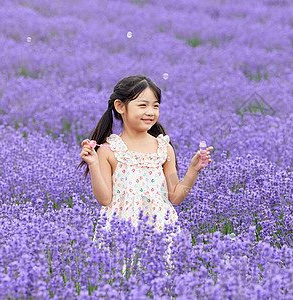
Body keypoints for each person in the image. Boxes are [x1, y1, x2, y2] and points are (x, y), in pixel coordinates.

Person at [77, 75, 213, 276]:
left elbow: (175, 196)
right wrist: (94, 164)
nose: (150, 112)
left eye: (155, 106)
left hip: (159, 229)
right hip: (121, 230)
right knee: (121, 280)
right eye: (143, 105)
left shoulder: (163, 148)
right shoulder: (109, 150)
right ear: (120, 106)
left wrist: (193, 170)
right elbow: (105, 199)